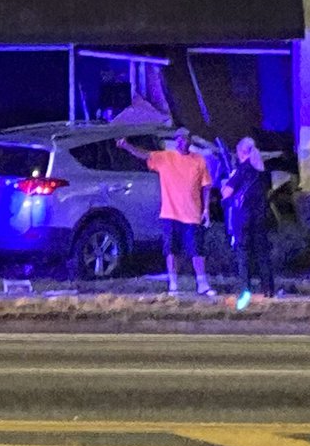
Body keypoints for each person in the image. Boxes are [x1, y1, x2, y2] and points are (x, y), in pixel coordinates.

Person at [117, 128, 217, 296]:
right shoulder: (166, 157)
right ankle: (173, 283)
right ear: (176, 141)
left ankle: (202, 283)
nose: (182, 142)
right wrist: (127, 146)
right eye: (179, 139)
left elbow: (206, 186)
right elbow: (145, 155)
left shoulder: (198, 160)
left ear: (189, 141)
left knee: (197, 249)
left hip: (192, 213)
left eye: (185, 139)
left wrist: (206, 209)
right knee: (171, 250)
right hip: (170, 213)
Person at [220, 137, 274, 311]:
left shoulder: (241, 170)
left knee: (243, 254)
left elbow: (226, 192)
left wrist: (224, 183)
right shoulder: (264, 171)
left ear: (242, 152)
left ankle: (245, 290)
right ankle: (268, 289)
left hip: (243, 218)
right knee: (262, 253)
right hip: (261, 217)